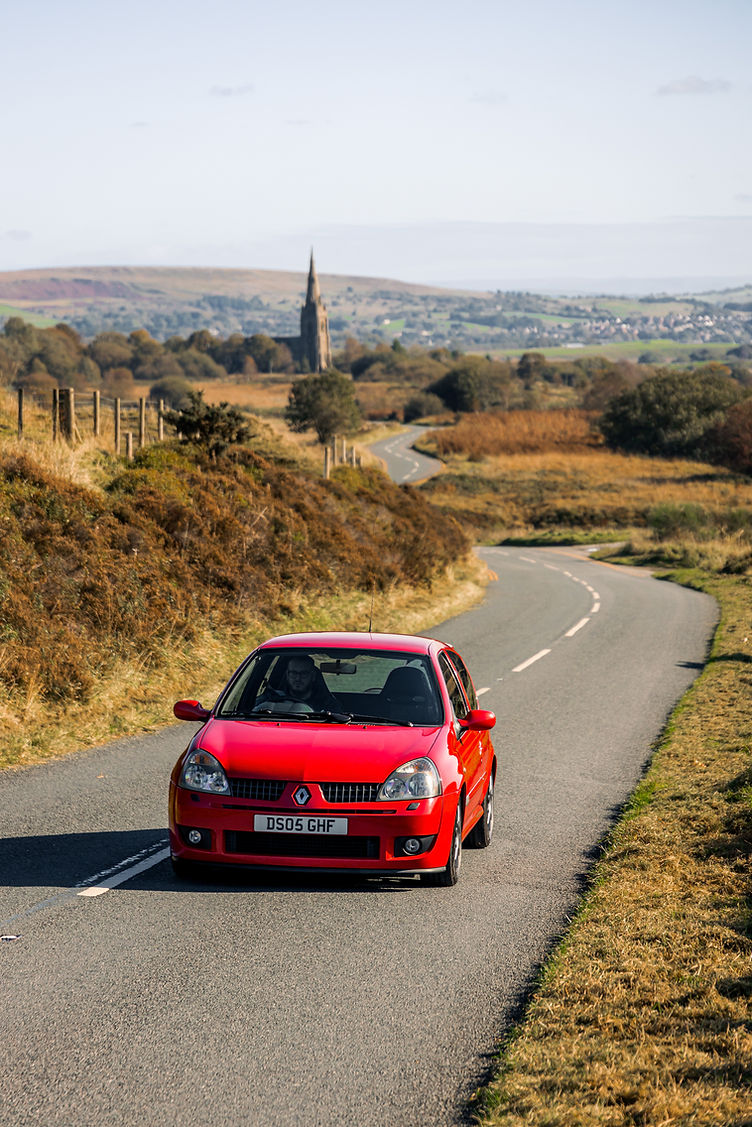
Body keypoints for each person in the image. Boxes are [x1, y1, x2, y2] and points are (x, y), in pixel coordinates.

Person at [254, 655, 340, 712]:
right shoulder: (271, 698)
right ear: (287, 675)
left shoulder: (327, 705)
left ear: (313, 676)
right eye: (294, 673)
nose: (298, 678)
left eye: (303, 673)